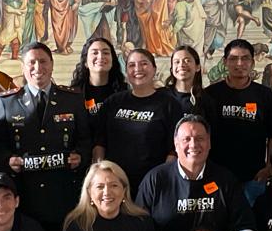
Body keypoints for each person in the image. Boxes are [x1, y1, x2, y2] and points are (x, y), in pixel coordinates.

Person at [0, 43, 92, 231]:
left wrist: (80, 156)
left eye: (43, 61)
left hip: (64, 194)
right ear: (23, 67)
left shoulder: (72, 99)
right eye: (32, 62)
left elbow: (86, 139)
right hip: (27, 197)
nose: (38, 67)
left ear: (52, 64)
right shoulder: (7, 102)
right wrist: (8, 160)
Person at [135, 114, 261, 231]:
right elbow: (140, 228)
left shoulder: (225, 179)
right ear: (176, 144)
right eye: (186, 139)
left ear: (209, 143)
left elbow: (245, 226)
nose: (193, 144)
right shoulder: (155, 179)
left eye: (200, 138)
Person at [201, 39, 272, 201]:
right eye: (233, 59)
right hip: (217, 176)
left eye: (245, 58)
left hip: (254, 177)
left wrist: (269, 167)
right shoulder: (210, 95)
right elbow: (202, 134)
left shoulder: (265, 95)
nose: (239, 63)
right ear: (225, 62)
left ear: (252, 62)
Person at [94, 50, 184, 194]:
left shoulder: (169, 104)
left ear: (154, 69)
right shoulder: (113, 102)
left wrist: (162, 180)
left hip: (152, 186)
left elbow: (174, 150)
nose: (138, 69)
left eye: (144, 64)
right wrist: (97, 174)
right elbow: (100, 142)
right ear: (126, 71)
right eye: (131, 65)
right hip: (114, 185)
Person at [70, 36, 128, 118]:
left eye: (106, 53)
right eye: (95, 53)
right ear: (85, 62)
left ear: (113, 60)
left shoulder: (125, 92)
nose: (100, 57)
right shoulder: (73, 95)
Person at [166, 44, 204, 113]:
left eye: (187, 61)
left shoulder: (206, 99)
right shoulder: (162, 96)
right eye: (177, 62)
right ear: (171, 69)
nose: (181, 65)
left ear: (198, 67)